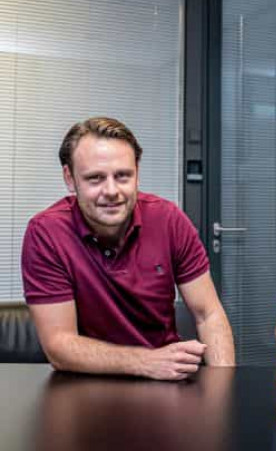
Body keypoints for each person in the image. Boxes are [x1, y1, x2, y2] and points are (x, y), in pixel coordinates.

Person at [22, 117, 234, 380]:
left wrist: (224, 387)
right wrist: (146, 362)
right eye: (95, 178)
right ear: (69, 178)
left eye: (122, 176)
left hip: (166, 380)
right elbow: (59, 345)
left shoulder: (168, 220)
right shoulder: (46, 233)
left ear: (137, 172)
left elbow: (208, 314)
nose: (111, 191)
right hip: (85, 383)